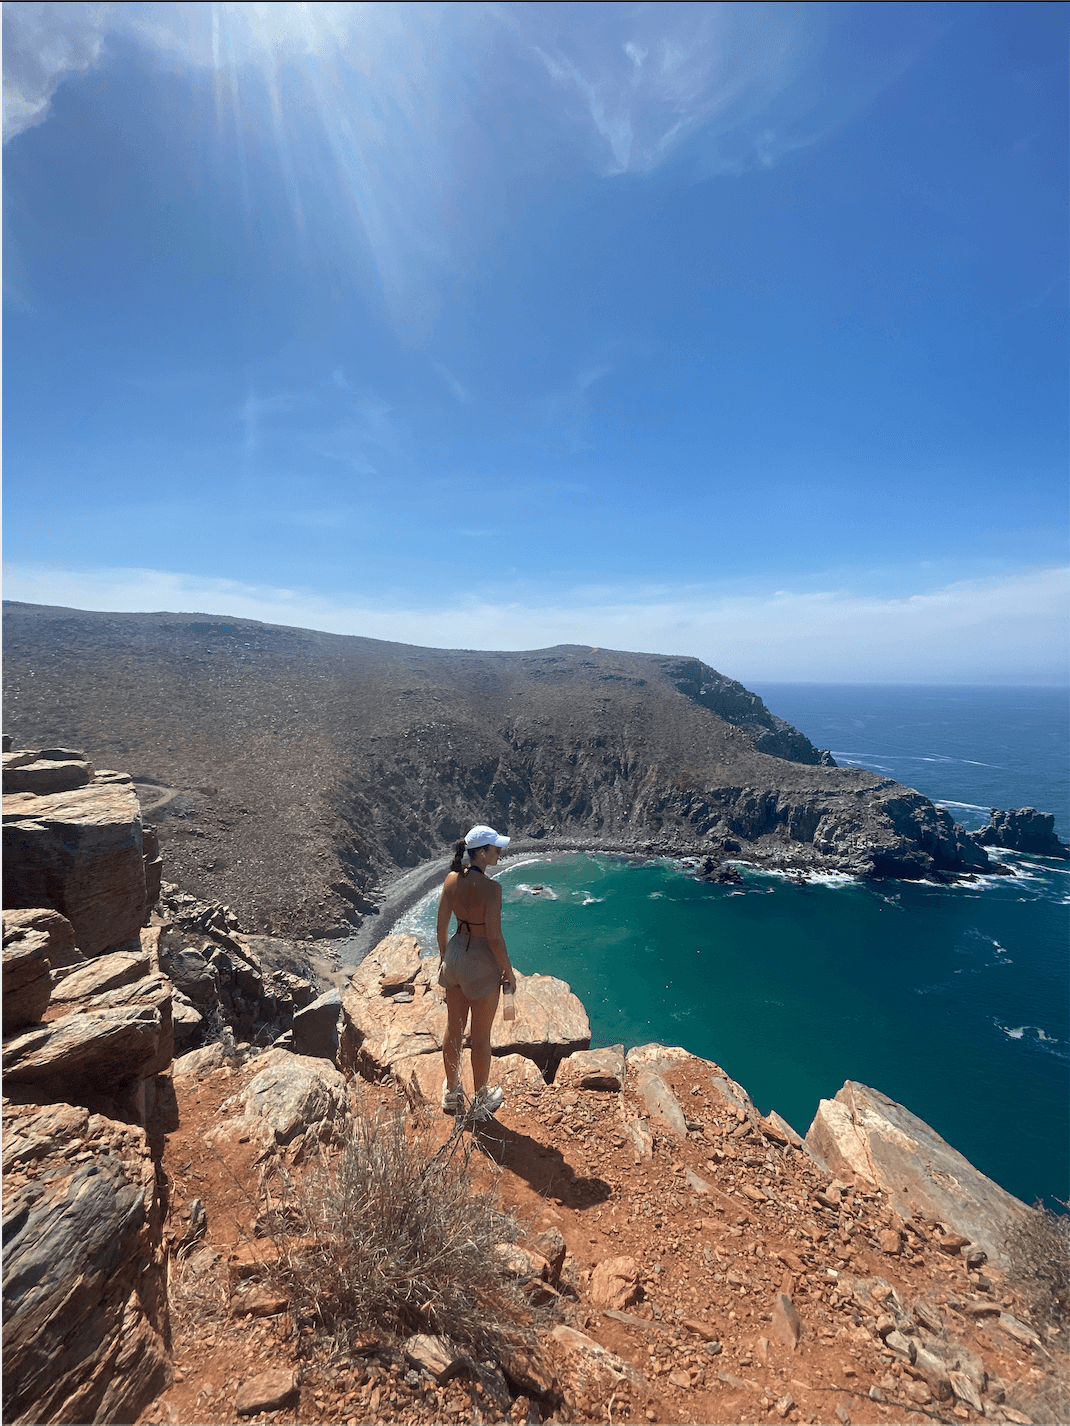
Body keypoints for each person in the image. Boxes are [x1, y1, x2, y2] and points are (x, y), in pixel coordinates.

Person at [437, 824, 517, 1120]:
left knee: (453, 1028)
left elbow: (440, 928)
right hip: (482, 963)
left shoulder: (451, 880)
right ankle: (481, 1100)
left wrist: (447, 959)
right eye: (496, 849)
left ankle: (451, 1093)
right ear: (481, 853)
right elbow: (495, 938)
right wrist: (508, 973)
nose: (499, 853)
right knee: (481, 1036)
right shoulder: (493, 889)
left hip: (456, 956)